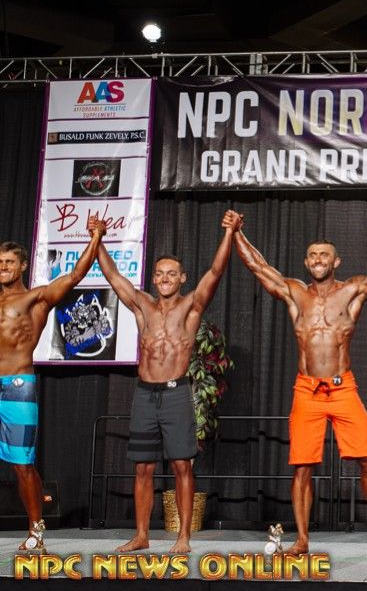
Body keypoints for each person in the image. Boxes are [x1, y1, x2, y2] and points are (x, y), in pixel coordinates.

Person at [233, 214, 367, 556]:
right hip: (307, 390)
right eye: (313, 256)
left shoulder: (351, 291)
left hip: (342, 388)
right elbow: (258, 267)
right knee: (303, 467)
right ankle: (302, 539)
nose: (319, 260)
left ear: (336, 261)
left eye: (325, 255)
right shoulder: (294, 293)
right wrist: (236, 232)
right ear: (307, 262)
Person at [97, 210, 239, 553]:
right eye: (160, 273)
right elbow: (113, 275)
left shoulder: (191, 306)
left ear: (182, 278)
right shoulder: (142, 305)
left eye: (171, 273)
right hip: (145, 394)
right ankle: (141, 535)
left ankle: (183, 537)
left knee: (181, 466)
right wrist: (97, 239)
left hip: (177, 394)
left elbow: (215, 272)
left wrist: (229, 233)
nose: (164, 278)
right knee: (143, 468)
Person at [0, 216, 105, 551]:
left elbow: (74, 276)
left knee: (21, 465)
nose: (3, 267)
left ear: (23, 265)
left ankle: (36, 531)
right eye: (0, 262)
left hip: (17, 386)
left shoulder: (37, 299)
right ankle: (38, 507)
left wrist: (96, 237)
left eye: (9, 262)